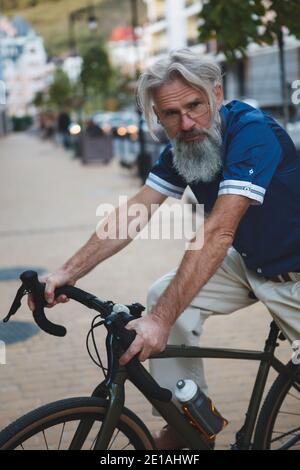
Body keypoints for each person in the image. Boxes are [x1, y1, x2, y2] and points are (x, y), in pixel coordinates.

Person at [28, 49, 300, 449]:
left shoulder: (252, 132)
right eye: (170, 114)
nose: (186, 123)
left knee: (162, 312)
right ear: (157, 115)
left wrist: (157, 321)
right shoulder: (186, 144)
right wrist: (67, 272)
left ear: (217, 95)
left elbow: (220, 230)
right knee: (163, 295)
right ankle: (189, 426)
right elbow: (137, 210)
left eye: (194, 106)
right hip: (253, 263)